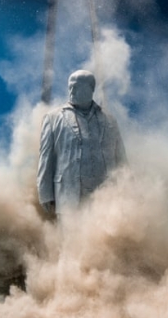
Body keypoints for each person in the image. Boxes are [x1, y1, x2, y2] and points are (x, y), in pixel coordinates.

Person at [37, 69, 126, 216]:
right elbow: (45, 158)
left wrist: (127, 189)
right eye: (70, 87)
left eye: (76, 87)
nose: (71, 91)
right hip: (68, 195)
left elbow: (120, 157)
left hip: (103, 196)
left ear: (91, 89)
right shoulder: (52, 118)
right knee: (68, 230)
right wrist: (44, 193)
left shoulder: (109, 120)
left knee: (102, 229)